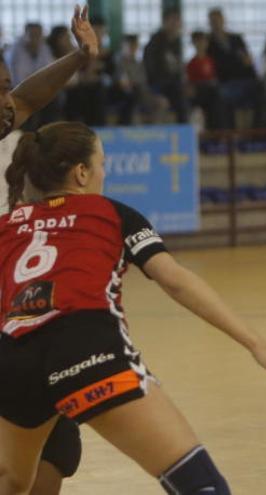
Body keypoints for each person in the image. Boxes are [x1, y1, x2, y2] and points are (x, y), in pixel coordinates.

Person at [0, 120, 266, 494]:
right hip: (85, 345)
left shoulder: (7, 226)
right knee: (199, 483)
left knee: (14, 482)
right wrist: (256, 345)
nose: (105, 172)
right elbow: (176, 280)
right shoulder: (109, 213)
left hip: (12, 357)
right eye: (102, 163)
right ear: (82, 173)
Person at [0, 7, 101, 494]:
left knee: (57, 447)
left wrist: (77, 57)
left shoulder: (3, 122)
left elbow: (28, 96)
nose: (8, 100)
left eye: (5, 86)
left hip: (16, 309)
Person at [207, 7, 265, 129]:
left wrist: (253, 73)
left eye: (219, 20)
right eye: (213, 21)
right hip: (225, 82)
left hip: (244, 80)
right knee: (222, 96)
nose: (216, 24)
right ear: (209, 23)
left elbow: (247, 60)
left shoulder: (236, 39)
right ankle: (229, 134)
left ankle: (258, 131)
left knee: (264, 89)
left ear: (224, 20)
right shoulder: (208, 43)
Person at [143, 7, 188, 124]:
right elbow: (150, 69)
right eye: (172, 21)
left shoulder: (177, 43)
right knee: (170, 101)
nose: (175, 25)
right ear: (165, 22)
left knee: (185, 98)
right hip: (158, 85)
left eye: (177, 21)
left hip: (173, 85)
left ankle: (184, 133)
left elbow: (179, 69)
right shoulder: (155, 42)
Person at [114, 34, 167, 125]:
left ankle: (155, 130)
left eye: (135, 46)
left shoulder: (139, 64)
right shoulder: (120, 64)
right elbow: (123, 83)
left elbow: (143, 82)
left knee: (162, 102)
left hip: (143, 93)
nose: (133, 48)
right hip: (129, 95)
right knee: (133, 106)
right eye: (131, 46)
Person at [185, 31, 224, 130]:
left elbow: (214, 78)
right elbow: (190, 83)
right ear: (194, 43)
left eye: (203, 41)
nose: (201, 44)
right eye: (198, 41)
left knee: (218, 100)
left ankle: (218, 133)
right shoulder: (191, 63)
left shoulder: (210, 61)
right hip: (199, 93)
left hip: (211, 93)